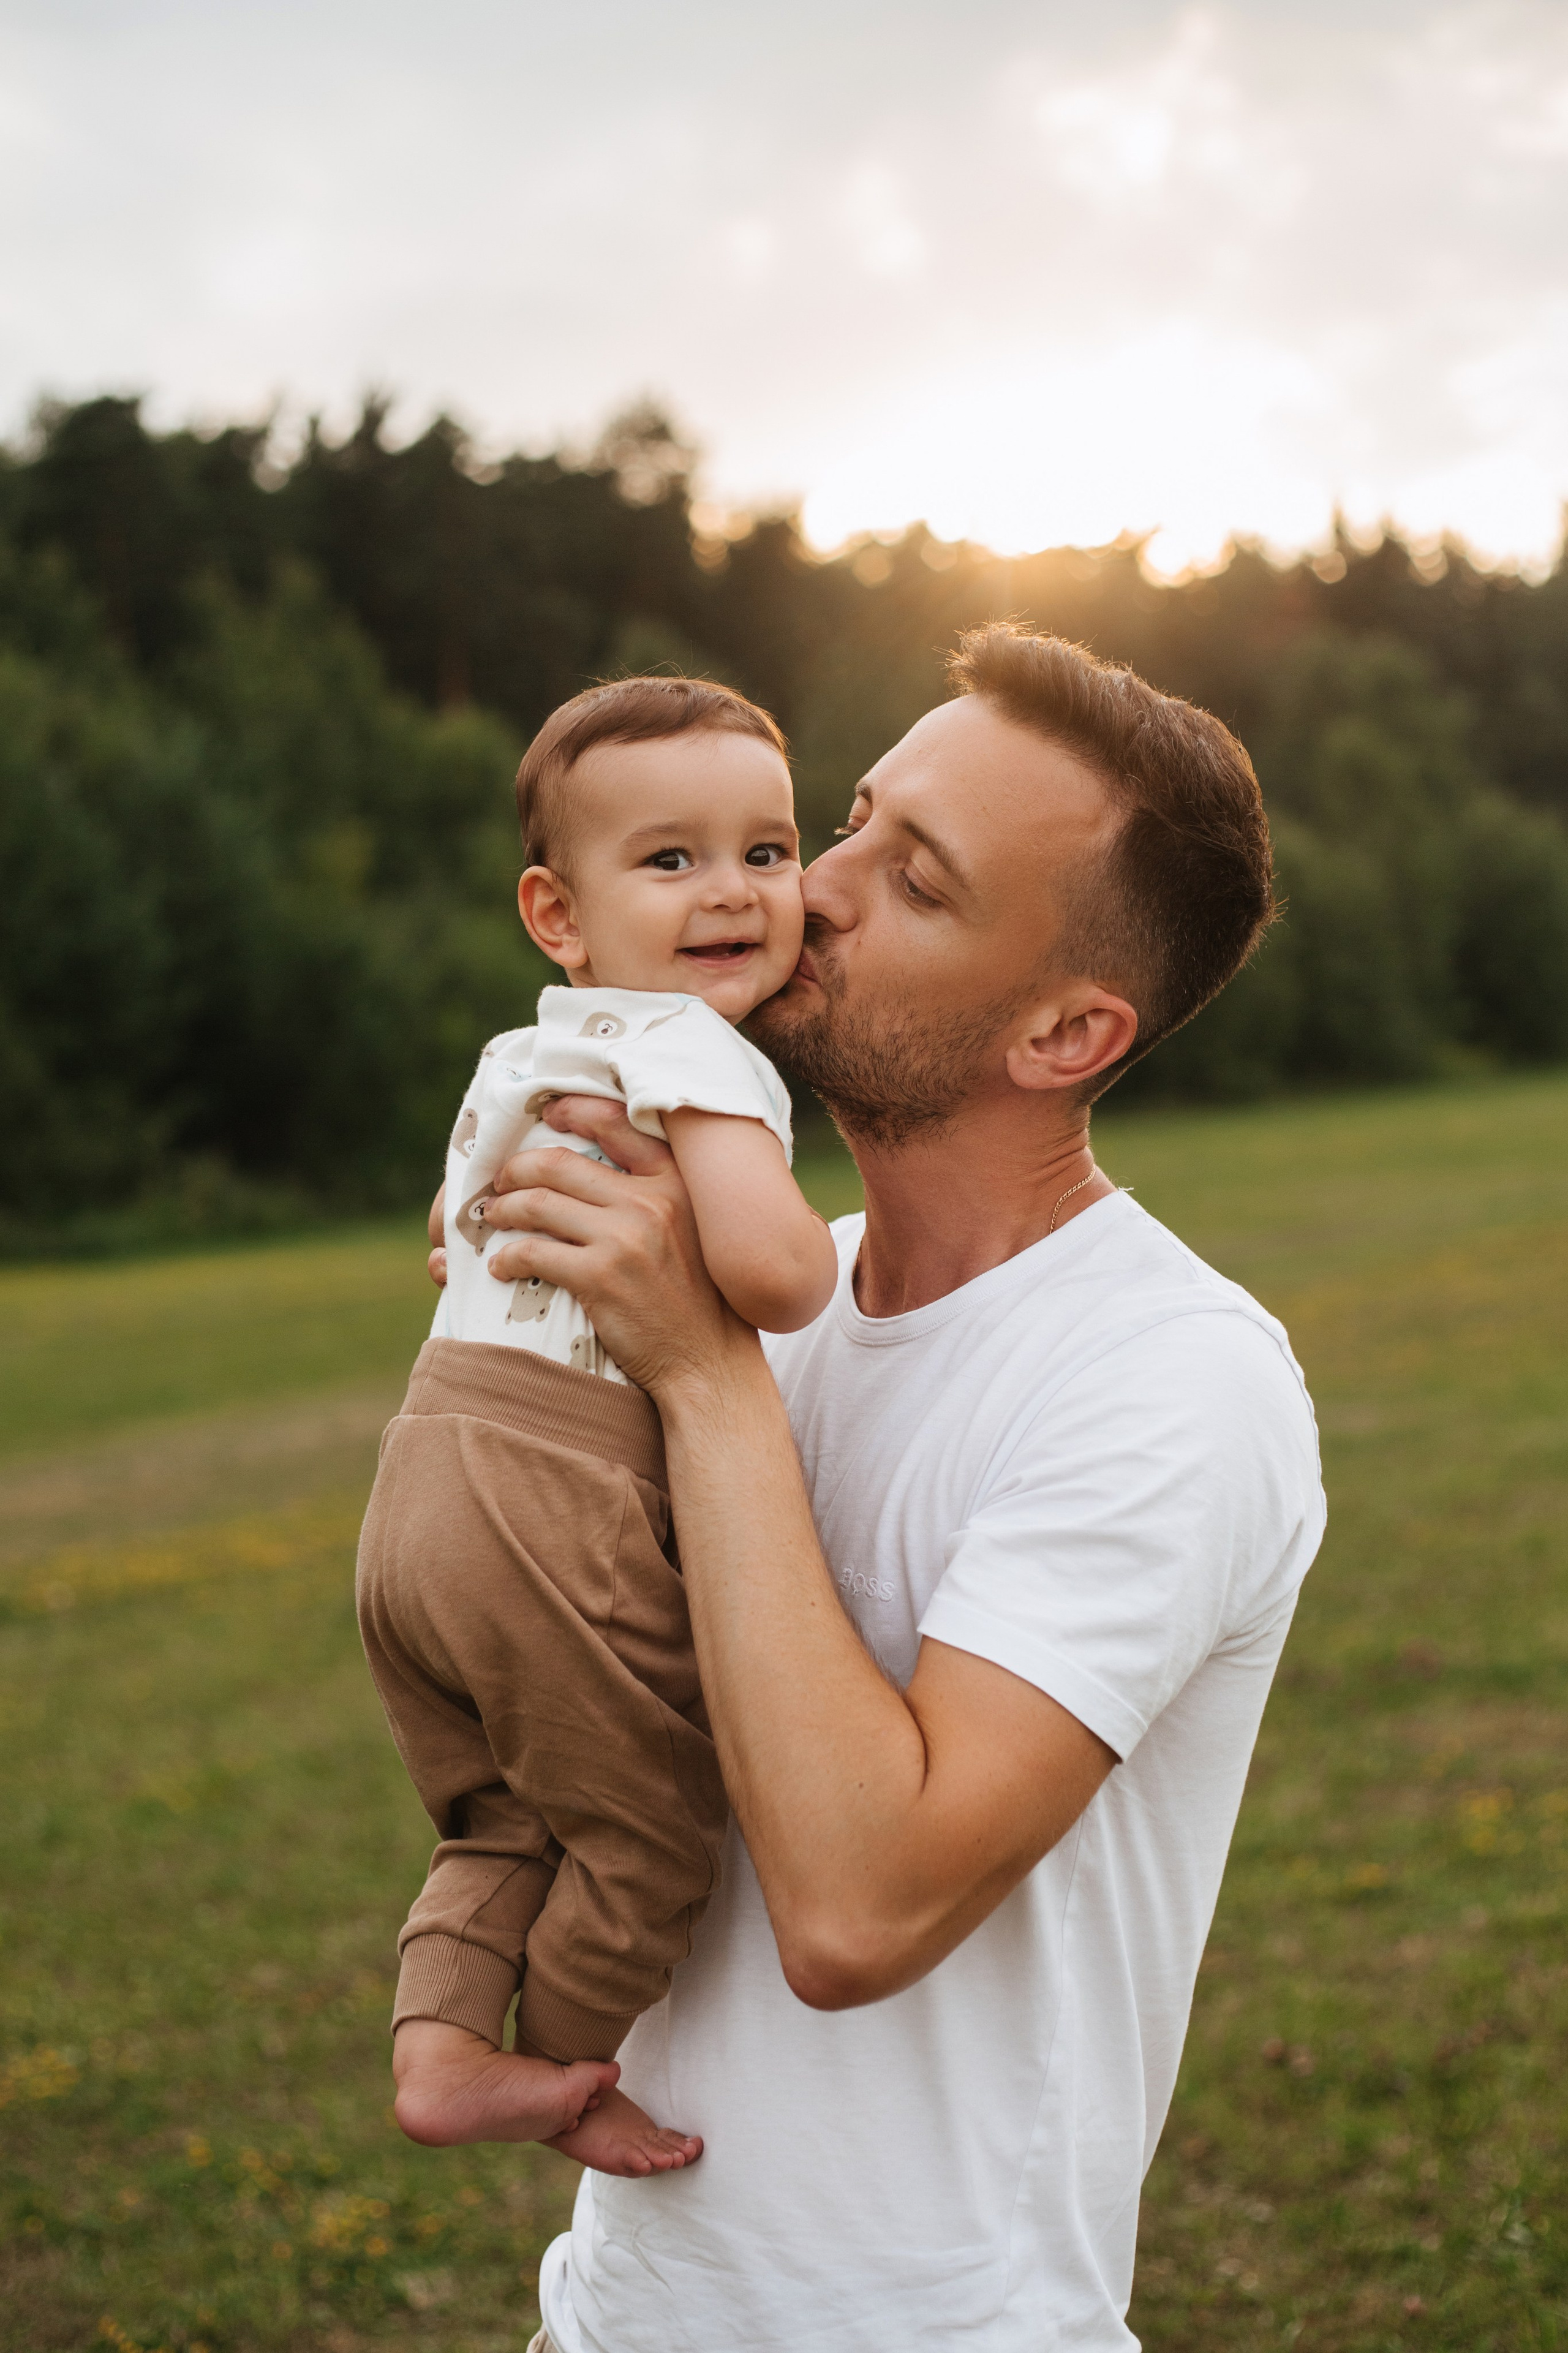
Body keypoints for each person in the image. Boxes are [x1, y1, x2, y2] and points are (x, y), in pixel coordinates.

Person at [459, 624, 1327, 2353]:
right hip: (610, 2314)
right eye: (847, 822)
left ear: (1068, 1027)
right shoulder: (761, 1280)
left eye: (910, 879)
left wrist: (704, 1381)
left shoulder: (1172, 1378)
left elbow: (861, 1909)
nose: (811, 888)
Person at [358, 676, 838, 2181]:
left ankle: (437, 2050)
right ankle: (563, 2066)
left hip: (423, 1475)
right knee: (647, 1824)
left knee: (500, 1816)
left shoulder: (527, 1050)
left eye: (766, 852)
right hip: (553, 1496)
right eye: (671, 858)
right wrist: (812, 1237)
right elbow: (776, 1273)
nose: (732, 894)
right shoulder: (692, 1053)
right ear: (557, 912)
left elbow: (450, 1227)